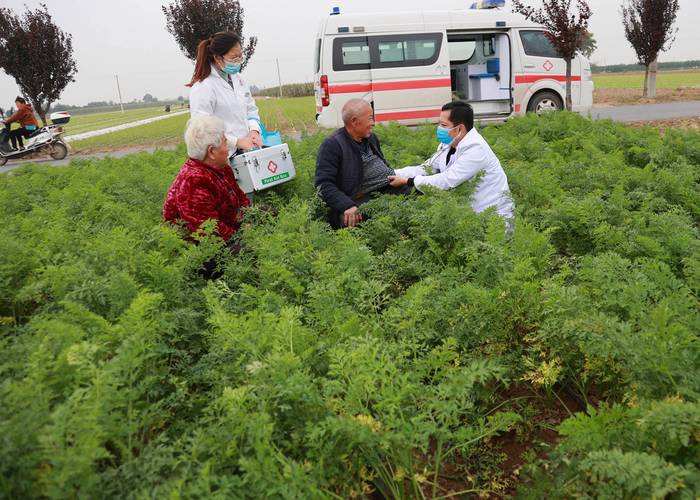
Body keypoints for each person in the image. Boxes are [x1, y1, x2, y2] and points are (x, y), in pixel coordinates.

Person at [389, 101, 514, 231]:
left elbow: (448, 179)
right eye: (439, 123)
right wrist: (392, 172)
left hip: (494, 219)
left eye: (443, 125)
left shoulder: (476, 148)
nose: (439, 128)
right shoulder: (448, 144)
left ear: (459, 128)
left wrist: (408, 181)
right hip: (469, 215)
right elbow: (425, 168)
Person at [315, 99, 412, 228]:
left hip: (387, 188)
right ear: (354, 122)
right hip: (359, 199)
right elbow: (323, 184)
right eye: (370, 118)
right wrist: (347, 205)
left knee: (417, 193)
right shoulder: (333, 144)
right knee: (353, 218)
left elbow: (382, 163)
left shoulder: (371, 138)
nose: (373, 123)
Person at [163, 115, 250, 245]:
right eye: (225, 143)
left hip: (229, 229)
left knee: (267, 213)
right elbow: (209, 232)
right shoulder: (193, 181)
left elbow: (240, 197)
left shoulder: (222, 168)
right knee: (248, 252)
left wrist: (249, 218)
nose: (228, 150)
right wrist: (246, 237)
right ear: (211, 151)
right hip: (202, 249)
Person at [188, 31, 262, 156]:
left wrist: (254, 131)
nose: (238, 61)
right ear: (217, 58)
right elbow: (202, 130)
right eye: (233, 58)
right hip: (221, 155)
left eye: (240, 57)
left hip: (247, 151)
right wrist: (236, 142)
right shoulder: (203, 87)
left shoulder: (238, 79)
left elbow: (251, 109)